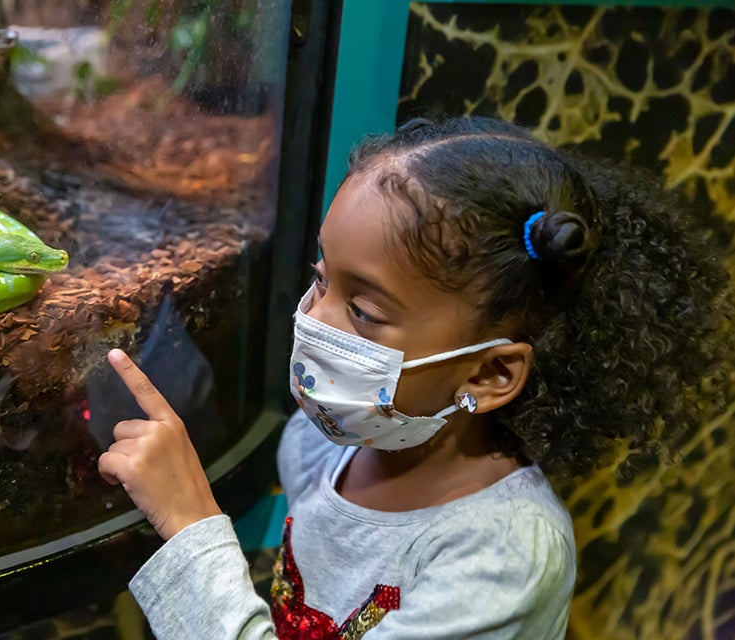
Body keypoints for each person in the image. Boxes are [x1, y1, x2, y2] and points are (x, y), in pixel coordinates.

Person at [96, 116, 735, 639]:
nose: (314, 321)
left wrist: (190, 527)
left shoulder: (503, 556)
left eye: (365, 312)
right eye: (322, 280)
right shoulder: (328, 441)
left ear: (489, 373)